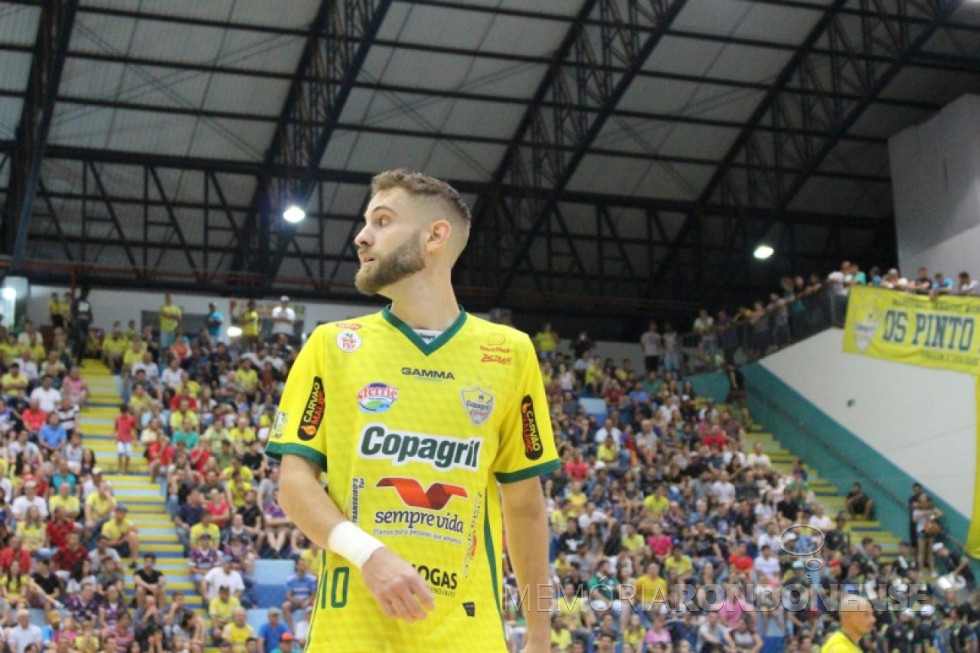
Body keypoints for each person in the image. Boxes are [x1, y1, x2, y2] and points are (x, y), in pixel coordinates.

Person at [267, 169, 559, 651]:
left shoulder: (510, 353)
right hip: (353, 634)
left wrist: (540, 634)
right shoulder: (333, 346)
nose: (361, 237)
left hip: (468, 636)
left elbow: (525, 508)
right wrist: (369, 555)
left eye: (382, 221)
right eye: (366, 223)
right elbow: (293, 486)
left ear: (435, 236)